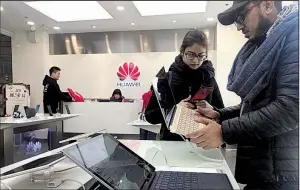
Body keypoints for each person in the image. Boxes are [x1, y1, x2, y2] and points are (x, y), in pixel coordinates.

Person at [185, 1, 299, 189]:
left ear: (267, 5)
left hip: (279, 176)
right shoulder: (270, 42)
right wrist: (221, 115)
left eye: (240, 17)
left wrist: (224, 131)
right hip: (263, 169)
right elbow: (256, 104)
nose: (238, 26)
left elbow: (291, 109)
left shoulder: (294, 38)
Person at [145, 29, 225, 141]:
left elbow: (221, 111)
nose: (196, 60)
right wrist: (175, 110)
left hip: (203, 142)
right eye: (191, 55)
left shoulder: (209, 79)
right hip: (172, 143)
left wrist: (212, 109)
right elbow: (150, 116)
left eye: (201, 55)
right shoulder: (167, 79)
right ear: (182, 51)